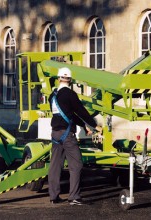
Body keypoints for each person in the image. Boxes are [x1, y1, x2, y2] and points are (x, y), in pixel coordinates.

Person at [48, 67, 102, 205]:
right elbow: (80, 111)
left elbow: (66, 115)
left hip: (55, 134)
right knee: (76, 165)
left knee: (55, 166)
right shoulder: (70, 94)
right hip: (67, 135)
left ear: (58, 78)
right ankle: (74, 197)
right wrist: (94, 125)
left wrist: (83, 126)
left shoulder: (52, 96)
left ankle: (54, 196)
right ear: (70, 80)